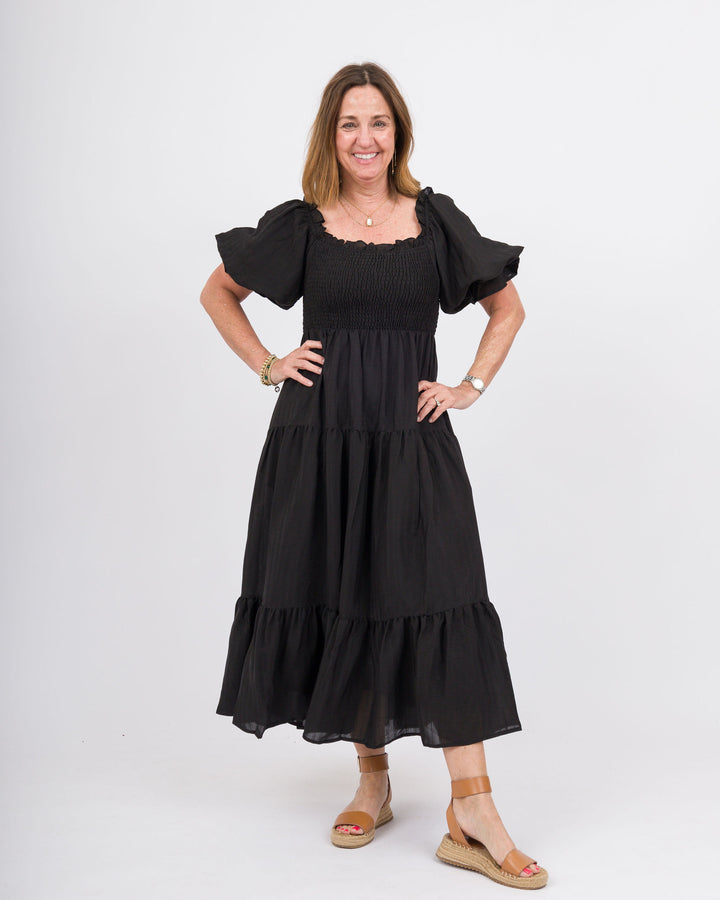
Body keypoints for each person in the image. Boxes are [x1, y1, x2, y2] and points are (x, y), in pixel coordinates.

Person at [200, 62, 548, 890]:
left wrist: (469, 385)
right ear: (331, 135)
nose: (365, 138)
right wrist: (269, 364)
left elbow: (507, 307)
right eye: (350, 123)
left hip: (411, 436)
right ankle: (372, 783)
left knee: (441, 597)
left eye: (379, 122)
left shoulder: (435, 221)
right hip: (318, 440)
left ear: (399, 134)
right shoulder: (304, 225)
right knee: (346, 592)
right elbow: (218, 293)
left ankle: (474, 809)